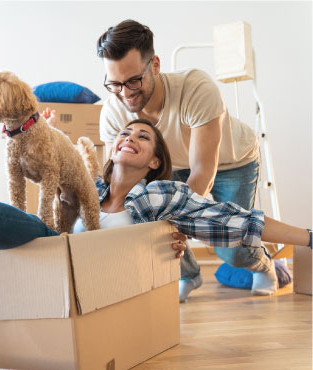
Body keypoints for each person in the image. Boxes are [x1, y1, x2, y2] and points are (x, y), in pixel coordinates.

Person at [0, 75, 312, 274]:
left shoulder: (161, 198)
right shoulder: (91, 187)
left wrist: (307, 238)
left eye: (144, 138)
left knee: (35, 231)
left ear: (156, 161)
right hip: (47, 261)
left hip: (82, 271)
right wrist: (46, 138)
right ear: (112, 148)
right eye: (125, 134)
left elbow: (239, 219)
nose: (129, 138)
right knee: (3, 232)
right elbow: (44, 172)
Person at [96, 19, 275, 300]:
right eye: (115, 84)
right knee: (147, 219)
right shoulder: (113, 111)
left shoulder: (196, 89)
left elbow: (204, 170)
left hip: (231, 161)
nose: (126, 93)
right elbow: (118, 178)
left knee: (231, 247)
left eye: (133, 81)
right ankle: (189, 275)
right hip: (172, 165)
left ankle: (265, 265)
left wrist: (180, 223)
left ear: (154, 65)